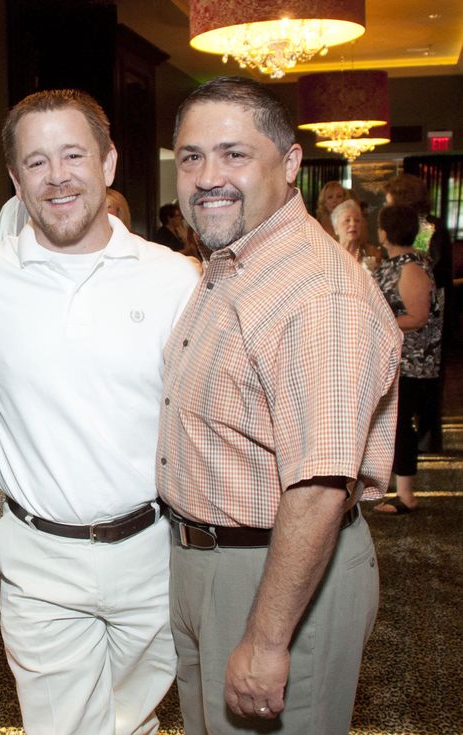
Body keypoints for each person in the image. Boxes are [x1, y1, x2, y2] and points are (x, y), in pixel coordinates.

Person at [158, 76, 401, 734]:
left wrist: (267, 641)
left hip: (275, 573)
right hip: (211, 562)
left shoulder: (318, 293)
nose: (209, 176)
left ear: (290, 163)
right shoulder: (234, 264)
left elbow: (320, 487)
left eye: (234, 154)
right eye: (191, 156)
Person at [0, 89, 200, 734]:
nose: (57, 176)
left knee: (132, 723)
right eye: (36, 162)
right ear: (16, 180)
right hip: (40, 561)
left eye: (73, 155)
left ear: (109, 163)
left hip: (156, 554)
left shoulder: (175, 279)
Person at [373, 204, 443, 514]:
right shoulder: (396, 263)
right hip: (395, 359)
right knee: (389, 423)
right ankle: (387, 484)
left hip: (411, 362)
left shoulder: (412, 267)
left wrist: (375, 324)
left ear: (384, 233)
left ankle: (406, 496)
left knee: (400, 425)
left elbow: (417, 317)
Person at [385, 173, 452, 452]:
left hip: (428, 305)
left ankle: (425, 437)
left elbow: (431, 268)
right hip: (424, 304)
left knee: (425, 379)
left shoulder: (426, 227)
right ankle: (422, 437)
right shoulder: (424, 225)